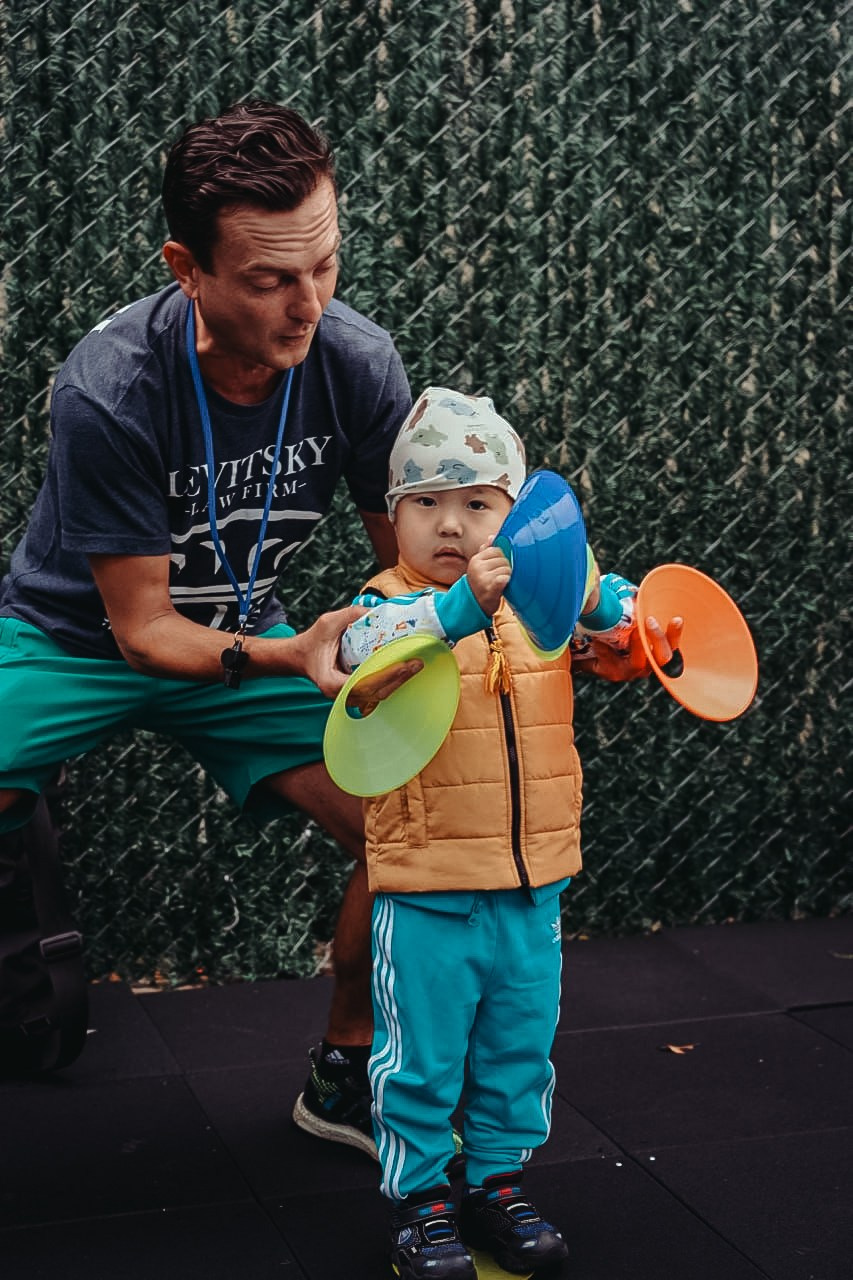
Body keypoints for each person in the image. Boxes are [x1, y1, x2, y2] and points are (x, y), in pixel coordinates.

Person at [0, 100, 419, 1096]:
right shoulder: (110, 386)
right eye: (270, 279)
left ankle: (344, 1068)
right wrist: (288, 652)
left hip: (243, 633)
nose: (308, 305)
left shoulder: (357, 364)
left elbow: (411, 571)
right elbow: (141, 632)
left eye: (324, 265)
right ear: (186, 270)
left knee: (414, 829)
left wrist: (554, 626)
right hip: (73, 640)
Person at [333, 386, 682, 1278]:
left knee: (518, 1049)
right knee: (420, 1056)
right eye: (426, 504)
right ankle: (423, 1200)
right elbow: (357, 661)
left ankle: (494, 1181)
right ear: (395, 515)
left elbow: (620, 640)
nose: (450, 525)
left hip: (531, 882)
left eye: (478, 504)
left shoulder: (543, 611)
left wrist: (621, 610)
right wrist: (455, 612)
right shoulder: (384, 605)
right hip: (427, 888)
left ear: (515, 517)